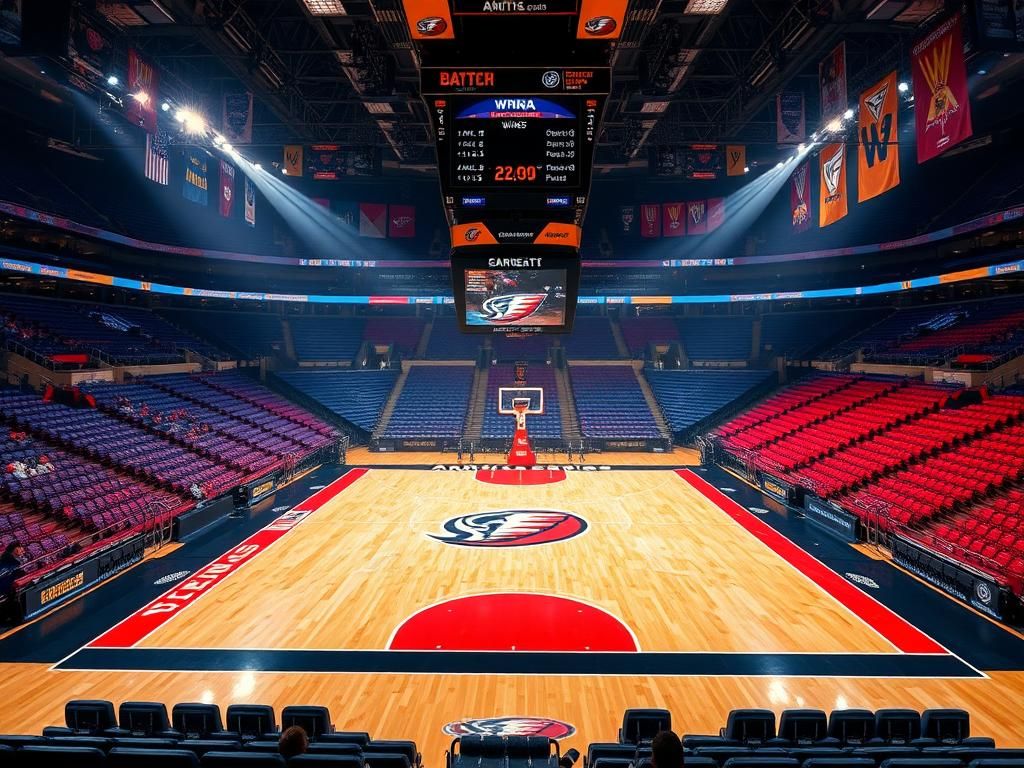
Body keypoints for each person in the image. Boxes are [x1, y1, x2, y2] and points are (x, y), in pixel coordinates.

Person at [0, 542, 26, 624]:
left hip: (9, 583)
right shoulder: (8, 560)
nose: (23, 550)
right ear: (16, 549)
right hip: (5, 585)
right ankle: (16, 619)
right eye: (21, 548)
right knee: (13, 596)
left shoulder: (14, 558)